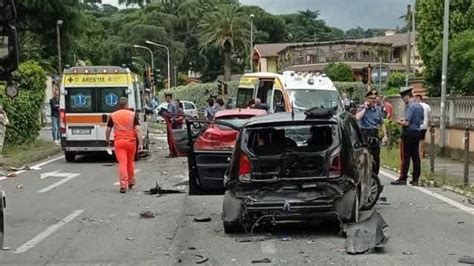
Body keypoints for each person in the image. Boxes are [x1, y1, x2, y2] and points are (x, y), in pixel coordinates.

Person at [105, 97, 142, 193]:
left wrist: (107, 140)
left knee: (122, 163)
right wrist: (140, 143)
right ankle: (131, 181)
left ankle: (123, 185)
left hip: (119, 142)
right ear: (127, 105)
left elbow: (108, 129)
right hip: (131, 142)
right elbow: (137, 129)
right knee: (130, 162)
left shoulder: (113, 115)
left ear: (119, 105)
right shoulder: (133, 114)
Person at [391, 87, 424, 186]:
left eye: (403, 98)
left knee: (405, 157)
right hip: (417, 132)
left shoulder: (410, 106)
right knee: (416, 157)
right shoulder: (419, 106)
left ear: (406, 96)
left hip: (408, 133)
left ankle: (403, 177)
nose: (402, 100)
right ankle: (415, 178)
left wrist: (398, 121)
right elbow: (420, 120)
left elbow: (407, 122)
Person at [355, 90, 388, 179]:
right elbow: (357, 118)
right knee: (364, 157)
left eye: (374, 98)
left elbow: (381, 123)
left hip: (374, 134)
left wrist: (385, 135)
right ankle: (363, 176)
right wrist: (365, 108)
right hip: (364, 134)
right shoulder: (362, 108)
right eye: (371, 98)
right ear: (367, 99)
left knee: (376, 157)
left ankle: (374, 177)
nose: (373, 100)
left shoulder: (378, 110)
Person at [416, 94, 431, 158]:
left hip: (417, 125)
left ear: (419, 98)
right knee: (422, 139)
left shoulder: (415, 106)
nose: (415, 99)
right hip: (424, 125)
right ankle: (421, 153)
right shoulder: (427, 106)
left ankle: (419, 153)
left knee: (417, 140)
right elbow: (430, 116)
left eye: (416, 98)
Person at [164, 93, 178, 157]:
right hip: (174, 123)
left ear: (168, 98)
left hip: (171, 123)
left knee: (170, 139)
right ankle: (175, 152)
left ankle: (172, 153)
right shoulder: (174, 104)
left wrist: (164, 114)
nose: (165, 99)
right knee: (173, 138)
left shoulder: (171, 105)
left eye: (166, 98)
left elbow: (169, 114)